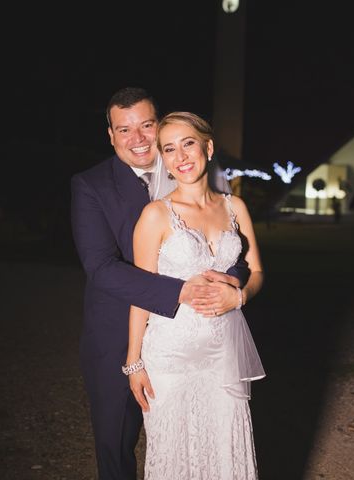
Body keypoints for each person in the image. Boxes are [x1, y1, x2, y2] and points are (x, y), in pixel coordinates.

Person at [70, 88, 250, 480]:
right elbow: (100, 267)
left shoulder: (189, 168)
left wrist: (230, 283)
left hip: (203, 337)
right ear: (111, 135)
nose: (137, 139)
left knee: (202, 441)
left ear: (159, 126)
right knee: (117, 445)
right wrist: (179, 291)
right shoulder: (91, 185)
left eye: (146, 125)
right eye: (124, 129)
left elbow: (229, 246)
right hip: (119, 332)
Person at [125, 112, 265, 479]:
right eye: (169, 149)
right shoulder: (155, 215)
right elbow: (142, 293)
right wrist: (134, 363)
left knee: (224, 452)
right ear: (163, 160)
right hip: (171, 356)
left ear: (208, 146)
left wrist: (240, 297)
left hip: (224, 353)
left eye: (188, 143)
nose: (181, 156)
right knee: (174, 456)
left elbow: (257, 272)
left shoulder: (236, 208)